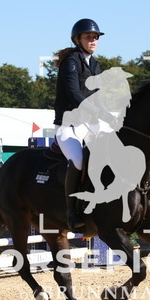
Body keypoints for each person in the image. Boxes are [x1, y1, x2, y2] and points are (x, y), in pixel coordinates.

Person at [53, 18, 104, 231]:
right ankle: (71, 212)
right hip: (68, 126)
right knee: (78, 161)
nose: (93, 40)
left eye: (95, 37)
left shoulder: (95, 64)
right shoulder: (71, 62)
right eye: (88, 37)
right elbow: (73, 93)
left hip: (88, 124)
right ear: (77, 40)